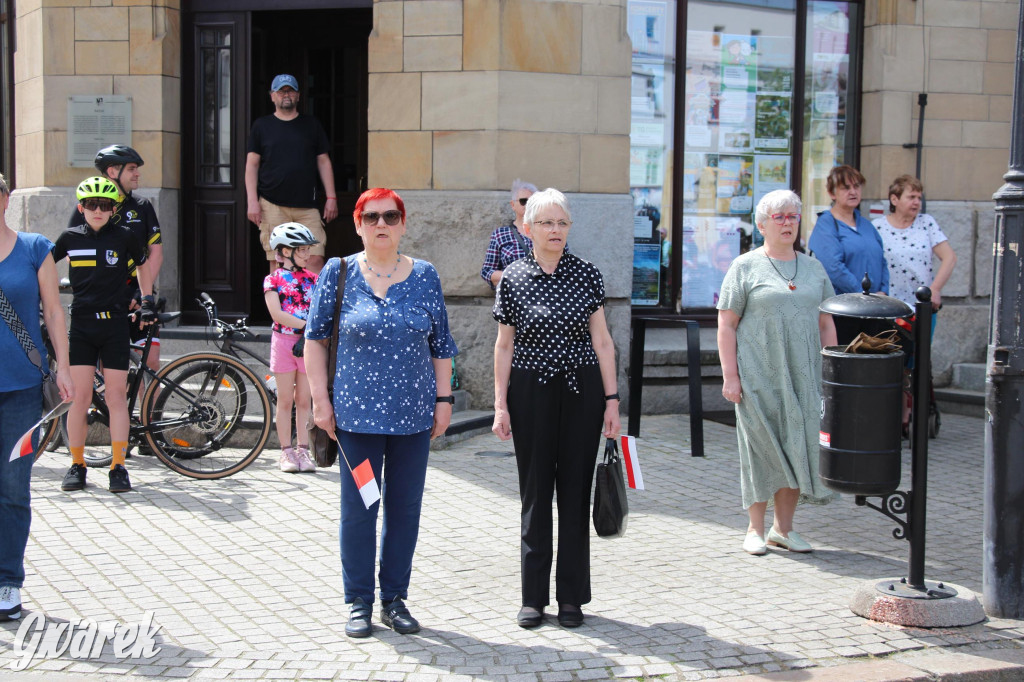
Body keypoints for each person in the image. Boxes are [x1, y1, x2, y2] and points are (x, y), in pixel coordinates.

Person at [305, 187, 457, 639]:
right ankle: (359, 602)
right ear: (358, 224)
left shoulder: (425, 275)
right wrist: (319, 401)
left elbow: (442, 346)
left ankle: (394, 599)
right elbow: (315, 341)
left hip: (413, 420)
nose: (381, 225)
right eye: (371, 217)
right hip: (358, 420)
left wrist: (444, 400)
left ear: (404, 223)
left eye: (390, 216)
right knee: (361, 509)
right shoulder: (339, 272)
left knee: (404, 508)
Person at [491, 188, 620, 630]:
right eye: (546, 223)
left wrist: (612, 400)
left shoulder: (586, 274)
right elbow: (504, 345)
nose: (555, 230)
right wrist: (500, 404)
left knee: (573, 494)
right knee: (534, 495)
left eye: (562, 223)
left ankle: (571, 598)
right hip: (530, 392)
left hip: (581, 391)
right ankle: (533, 598)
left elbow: (602, 342)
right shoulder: (513, 277)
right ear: (527, 228)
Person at [717, 189, 837, 557]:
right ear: (762, 223)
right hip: (758, 375)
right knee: (761, 449)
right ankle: (754, 529)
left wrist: (832, 371)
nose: (787, 223)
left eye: (793, 216)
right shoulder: (745, 266)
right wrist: (730, 376)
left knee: (798, 447)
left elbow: (826, 324)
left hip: (805, 377)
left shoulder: (814, 268)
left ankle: (783, 529)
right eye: (779, 216)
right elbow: (726, 324)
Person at [0, 172, 73, 621]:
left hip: (22, 387)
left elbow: (52, 310)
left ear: (6, 198)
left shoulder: (33, 248)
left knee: (12, 488)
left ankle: (8, 582)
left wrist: (63, 365)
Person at [53, 177, 154, 494]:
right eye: (92, 205)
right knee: (79, 399)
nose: (98, 210)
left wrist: (147, 299)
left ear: (113, 209)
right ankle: (77, 464)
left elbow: (143, 265)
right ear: (81, 208)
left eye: (106, 205)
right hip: (82, 326)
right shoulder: (69, 238)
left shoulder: (124, 236)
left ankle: (118, 467)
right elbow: (43, 266)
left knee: (115, 399)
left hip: (114, 326)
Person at [67, 145, 164, 374]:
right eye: (132, 169)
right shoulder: (88, 206)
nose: (137, 173)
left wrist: (142, 294)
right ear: (112, 172)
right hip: (104, 300)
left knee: (149, 362)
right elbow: (76, 255)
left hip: (139, 295)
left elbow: (156, 253)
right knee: (103, 368)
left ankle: (149, 411)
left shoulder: (142, 206)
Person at [246, 73, 337, 274]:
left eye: (290, 90)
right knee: (279, 262)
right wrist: (252, 201)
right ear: (272, 96)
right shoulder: (262, 126)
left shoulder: (311, 125)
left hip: (307, 206)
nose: (285, 95)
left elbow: (323, 161)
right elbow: (251, 165)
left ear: (298, 95)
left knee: (314, 258)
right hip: (272, 204)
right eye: (281, 91)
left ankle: (312, 305)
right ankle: (281, 307)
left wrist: (331, 197)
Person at [807, 165, 889, 343]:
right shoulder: (827, 224)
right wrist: (863, 296)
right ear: (832, 193)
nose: (853, 192)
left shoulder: (866, 225)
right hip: (842, 312)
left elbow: (881, 261)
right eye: (846, 188)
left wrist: (882, 293)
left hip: (873, 312)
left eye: (856, 186)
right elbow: (833, 268)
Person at [263, 222, 319, 474]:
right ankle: (286, 451)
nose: (308, 254)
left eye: (308, 249)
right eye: (302, 250)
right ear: (285, 251)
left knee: (304, 400)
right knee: (285, 400)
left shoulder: (314, 279)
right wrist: (308, 327)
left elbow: (321, 311)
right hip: (284, 342)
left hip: (308, 346)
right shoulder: (273, 279)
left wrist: (311, 333)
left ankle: (304, 450)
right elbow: (277, 313)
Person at [873, 175, 957, 310]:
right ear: (894, 199)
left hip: (921, 305)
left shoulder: (926, 223)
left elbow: (950, 257)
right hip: (887, 305)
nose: (917, 202)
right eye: (911, 197)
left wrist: (934, 289)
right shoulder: (877, 226)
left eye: (919, 198)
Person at [480, 179, 537, 289]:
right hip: (512, 296)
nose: (528, 205)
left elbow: (563, 267)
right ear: (513, 205)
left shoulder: (549, 231)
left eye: (533, 202)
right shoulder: (501, 235)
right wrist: (516, 276)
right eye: (523, 201)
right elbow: (487, 271)